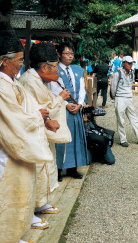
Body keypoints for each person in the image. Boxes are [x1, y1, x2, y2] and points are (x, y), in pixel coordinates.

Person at [0, 30, 54, 243]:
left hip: (17, 147)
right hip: (6, 149)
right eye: (20, 60)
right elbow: (12, 121)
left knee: (22, 195)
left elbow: (25, 110)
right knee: (10, 197)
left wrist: (41, 117)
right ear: (5, 61)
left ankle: (12, 236)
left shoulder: (10, 83)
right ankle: (3, 238)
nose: (22, 64)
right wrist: (38, 116)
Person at [19, 42, 73, 225]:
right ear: (44, 67)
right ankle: (30, 212)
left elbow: (42, 107)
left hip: (41, 131)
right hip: (30, 134)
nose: (57, 71)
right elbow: (32, 111)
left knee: (46, 169)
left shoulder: (37, 80)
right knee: (34, 172)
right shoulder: (27, 82)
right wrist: (59, 99)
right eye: (55, 67)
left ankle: (41, 203)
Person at [48, 43, 91, 181]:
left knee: (75, 138)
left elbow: (82, 89)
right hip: (62, 109)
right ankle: (58, 170)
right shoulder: (54, 70)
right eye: (67, 53)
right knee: (61, 138)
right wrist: (66, 104)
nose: (70, 55)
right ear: (59, 54)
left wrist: (79, 103)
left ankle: (73, 168)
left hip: (76, 109)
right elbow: (53, 90)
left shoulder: (77, 70)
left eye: (72, 53)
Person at [110, 55, 138, 147]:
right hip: (120, 98)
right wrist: (115, 98)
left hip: (129, 98)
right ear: (123, 63)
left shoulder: (131, 73)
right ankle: (123, 139)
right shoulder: (117, 74)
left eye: (131, 63)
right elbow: (113, 88)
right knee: (121, 120)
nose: (130, 65)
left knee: (134, 118)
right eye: (128, 63)